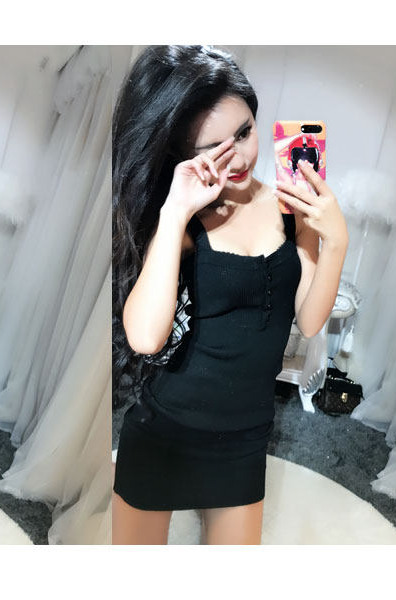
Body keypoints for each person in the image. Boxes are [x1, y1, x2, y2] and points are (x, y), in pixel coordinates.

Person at [112, 45, 348, 544]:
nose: (238, 157)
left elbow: (308, 322)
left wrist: (337, 242)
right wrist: (175, 212)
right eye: (213, 148)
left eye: (244, 132)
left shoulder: (290, 207)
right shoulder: (184, 217)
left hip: (245, 439)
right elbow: (145, 338)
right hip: (165, 432)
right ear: (182, 153)